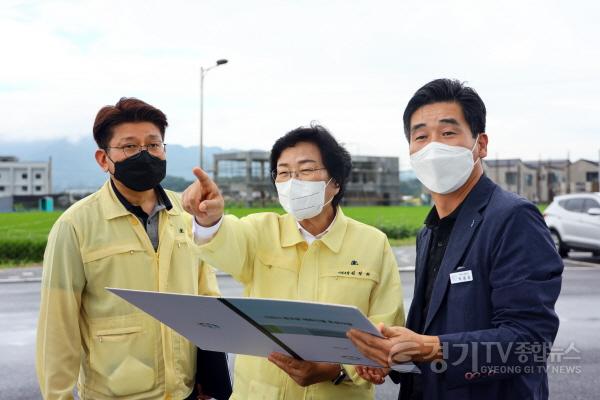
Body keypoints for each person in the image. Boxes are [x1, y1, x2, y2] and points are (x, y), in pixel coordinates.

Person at [348, 79, 563, 400]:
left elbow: (529, 342)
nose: (433, 147)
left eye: (448, 133)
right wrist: (390, 356)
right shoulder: (429, 231)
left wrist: (430, 347)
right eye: (420, 136)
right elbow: (428, 332)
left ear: (481, 144)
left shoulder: (512, 218)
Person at [182, 124, 405, 399]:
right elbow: (223, 243)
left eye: (306, 169)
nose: (293, 181)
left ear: (335, 182)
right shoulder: (259, 230)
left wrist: (337, 370)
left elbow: (384, 327)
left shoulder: (372, 243)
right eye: (284, 173)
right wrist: (209, 220)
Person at [36, 98, 229, 400]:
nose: (144, 154)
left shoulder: (187, 214)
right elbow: (57, 325)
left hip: (184, 390)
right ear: (103, 158)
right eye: (129, 146)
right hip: (113, 394)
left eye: (153, 145)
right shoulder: (75, 225)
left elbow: (207, 297)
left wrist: (212, 377)